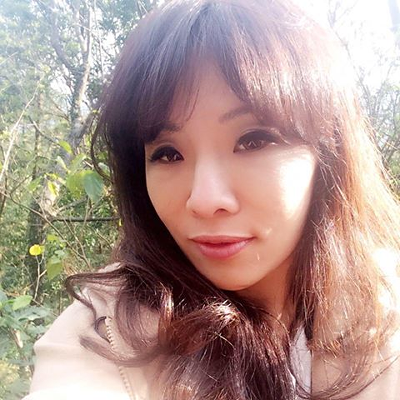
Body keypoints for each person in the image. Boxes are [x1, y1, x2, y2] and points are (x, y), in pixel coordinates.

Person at [24, 0, 400, 399]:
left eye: (253, 140)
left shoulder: (385, 307)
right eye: (168, 153)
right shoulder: (107, 327)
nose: (204, 201)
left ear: (328, 153)